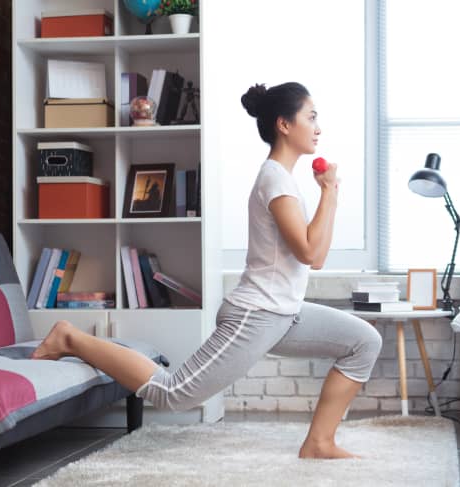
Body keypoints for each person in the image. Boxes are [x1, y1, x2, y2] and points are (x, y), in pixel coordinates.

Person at [32, 81, 383, 460]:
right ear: (284, 124)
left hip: (285, 312)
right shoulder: (275, 179)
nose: (318, 127)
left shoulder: (285, 180)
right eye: (311, 117)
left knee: (363, 341)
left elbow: (317, 256)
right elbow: (311, 252)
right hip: (257, 314)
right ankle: (70, 338)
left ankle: (319, 443)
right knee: (172, 393)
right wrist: (329, 192)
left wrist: (329, 194)